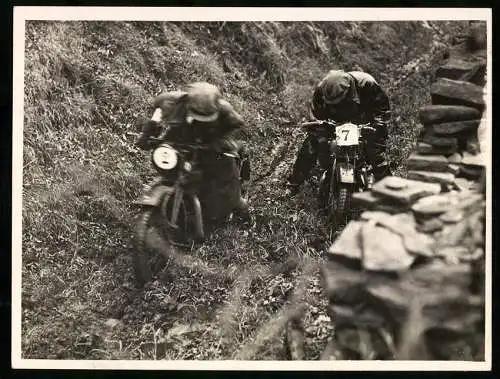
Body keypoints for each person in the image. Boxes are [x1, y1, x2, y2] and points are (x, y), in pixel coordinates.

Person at [136, 82, 250, 222]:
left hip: (211, 143)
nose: (200, 118)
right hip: (180, 136)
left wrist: (220, 144)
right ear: (188, 103)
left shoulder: (225, 110)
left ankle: (241, 208)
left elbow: (238, 126)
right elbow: (156, 115)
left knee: (226, 180)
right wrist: (148, 133)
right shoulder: (170, 101)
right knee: (169, 162)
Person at [286, 69, 392, 193]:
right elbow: (315, 114)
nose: (337, 104)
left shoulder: (366, 84)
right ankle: (293, 184)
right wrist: (319, 126)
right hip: (334, 122)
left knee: (375, 153)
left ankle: (390, 191)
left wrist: (376, 125)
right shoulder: (321, 89)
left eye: (339, 100)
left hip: (364, 120)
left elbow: (382, 109)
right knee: (312, 143)